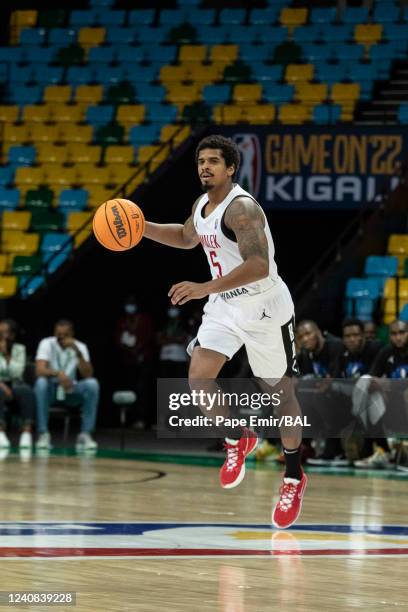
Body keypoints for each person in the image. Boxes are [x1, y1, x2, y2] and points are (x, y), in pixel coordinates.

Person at [143, 134, 306, 529]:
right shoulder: (202, 205)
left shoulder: (243, 208)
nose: (205, 167)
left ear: (230, 168)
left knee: (281, 395)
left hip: (264, 306)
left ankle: (294, 475)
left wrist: (202, 288)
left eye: (214, 161)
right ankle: (239, 436)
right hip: (226, 305)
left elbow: (258, 266)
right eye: (201, 161)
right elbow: (185, 237)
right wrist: (138, 227)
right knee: (199, 379)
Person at [34, 319, 99, 451]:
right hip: (51, 390)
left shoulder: (80, 346)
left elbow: (88, 374)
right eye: (59, 334)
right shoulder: (47, 343)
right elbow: (39, 370)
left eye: (65, 334)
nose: (62, 337)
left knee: (92, 384)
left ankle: (85, 434)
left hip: (71, 390)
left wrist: (76, 351)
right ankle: (43, 434)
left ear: (72, 334)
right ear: (54, 333)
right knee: (41, 383)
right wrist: (57, 374)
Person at [353, 319, 408, 468]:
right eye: (394, 334)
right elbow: (372, 378)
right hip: (392, 406)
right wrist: (378, 386)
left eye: (402, 332)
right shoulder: (387, 352)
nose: (398, 337)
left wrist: (390, 385)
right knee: (366, 382)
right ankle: (383, 450)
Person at [296, 320, 346, 466]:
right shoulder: (306, 354)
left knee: (324, 397)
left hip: (345, 398)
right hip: (321, 397)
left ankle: (336, 452)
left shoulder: (335, 346)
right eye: (301, 337)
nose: (305, 339)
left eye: (308, 334)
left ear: (317, 332)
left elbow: (335, 378)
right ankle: (305, 447)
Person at [113, 296, 155, 428]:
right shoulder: (122, 321)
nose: (129, 306)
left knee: (142, 389)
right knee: (128, 388)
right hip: (127, 359)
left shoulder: (144, 319)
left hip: (143, 358)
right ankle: (126, 419)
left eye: (132, 304)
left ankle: (141, 419)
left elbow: (149, 336)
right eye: (127, 304)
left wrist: (138, 349)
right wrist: (127, 348)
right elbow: (117, 339)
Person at [0, 319, 36, 451]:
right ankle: (1, 433)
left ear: (13, 335)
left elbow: (17, 372)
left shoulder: (20, 349)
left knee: (26, 391)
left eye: (6, 333)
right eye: (0, 333)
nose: (3, 336)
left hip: (15, 385)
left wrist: (6, 355)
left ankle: (26, 432)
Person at [158, 306, 189, 378]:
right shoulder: (163, 323)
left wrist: (167, 339)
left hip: (180, 358)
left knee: (179, 382)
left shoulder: (184, 323)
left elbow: (183, 339)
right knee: (166, 383)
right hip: (165, 357)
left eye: (174, 307)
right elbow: (159, 340)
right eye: (170, 307)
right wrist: (176, 339)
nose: (172, 310)